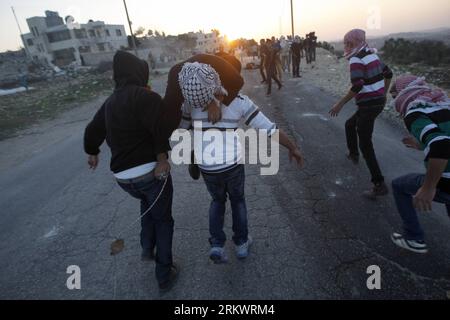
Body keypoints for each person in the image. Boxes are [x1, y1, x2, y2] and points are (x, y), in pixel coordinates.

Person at [178, 62, 305, 263]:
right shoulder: (240, 101)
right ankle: (241, 244)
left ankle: (217, 244)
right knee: (238, 201)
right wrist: (292, 147)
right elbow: (268, 129)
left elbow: (181, 129)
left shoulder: (189, 103)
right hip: (232, 165)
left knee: (217, 201)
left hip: (207, 167)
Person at [83, 51, 179, 293]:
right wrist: (161, 159)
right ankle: (164, 274)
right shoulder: (146, 97)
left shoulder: (110, 101)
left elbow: (93, 128)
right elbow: (159, 128)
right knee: (164, 220)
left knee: (147, 203)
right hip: (150, 173)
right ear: (138, 72)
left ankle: (147, 247)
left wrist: (92, 151)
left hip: (124, 179)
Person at [329, 29, 393, 199]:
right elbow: (389, 73)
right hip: (376, 102)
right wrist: (383, 94)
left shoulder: (356, 59)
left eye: (347, 43)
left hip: (368, 105)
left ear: (352, 43)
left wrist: (339, 104)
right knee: (350, 124)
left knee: (366, 143)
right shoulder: (372, 54)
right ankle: (353, 154)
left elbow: (357, 85)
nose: (346, 46)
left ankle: (379, 184)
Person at [389, 75, 450, 254]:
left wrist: (428, 187)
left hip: (446, 182)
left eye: (394, 96)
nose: (394, 101)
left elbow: (441, 145)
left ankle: (413, 237)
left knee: (399, 186)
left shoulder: (414, 112)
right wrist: (422, 144)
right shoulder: (442, 105)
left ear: (403, 93)